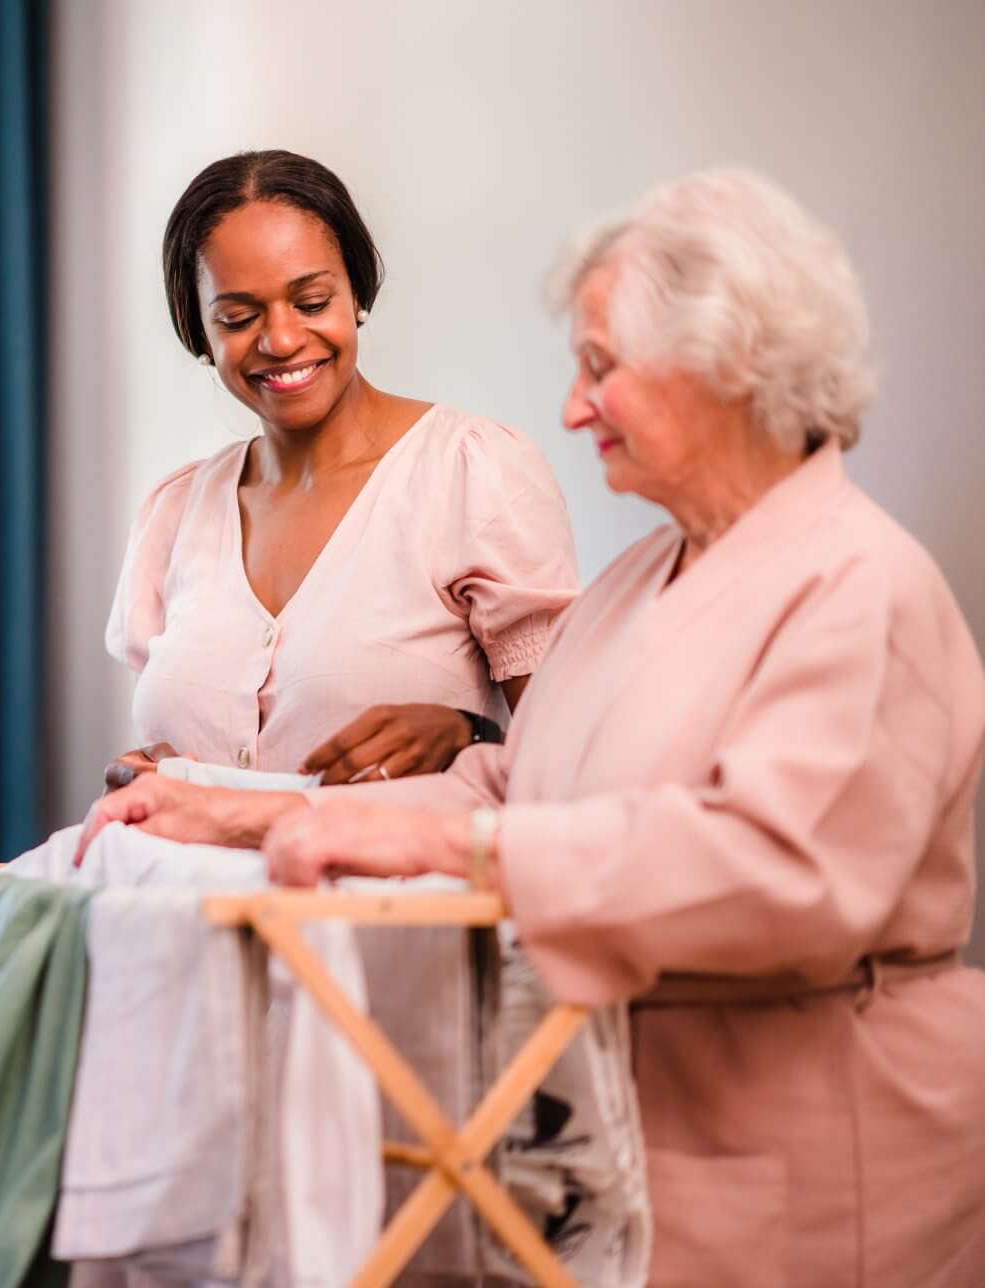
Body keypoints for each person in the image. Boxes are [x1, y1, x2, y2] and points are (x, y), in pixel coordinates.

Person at [83, 169, 985, 1286]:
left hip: (813, 1156)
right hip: (623, 1144)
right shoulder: (642, 578)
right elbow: (515, 785)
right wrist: (226, 812)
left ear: (730, 371)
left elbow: (780, 874)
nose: (572, 406)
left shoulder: (861, 585)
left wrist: (449, 847)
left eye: (600, 368)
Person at [101, 150, 577, 794]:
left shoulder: (472, 472)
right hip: (194, 892)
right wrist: (146, 779)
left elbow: (573, 757)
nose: (281, 339)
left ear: (356, 293)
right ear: (199, 331)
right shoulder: (175, 512)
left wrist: (470, 734)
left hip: (396, 894)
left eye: (312, 300)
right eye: (238, 318)